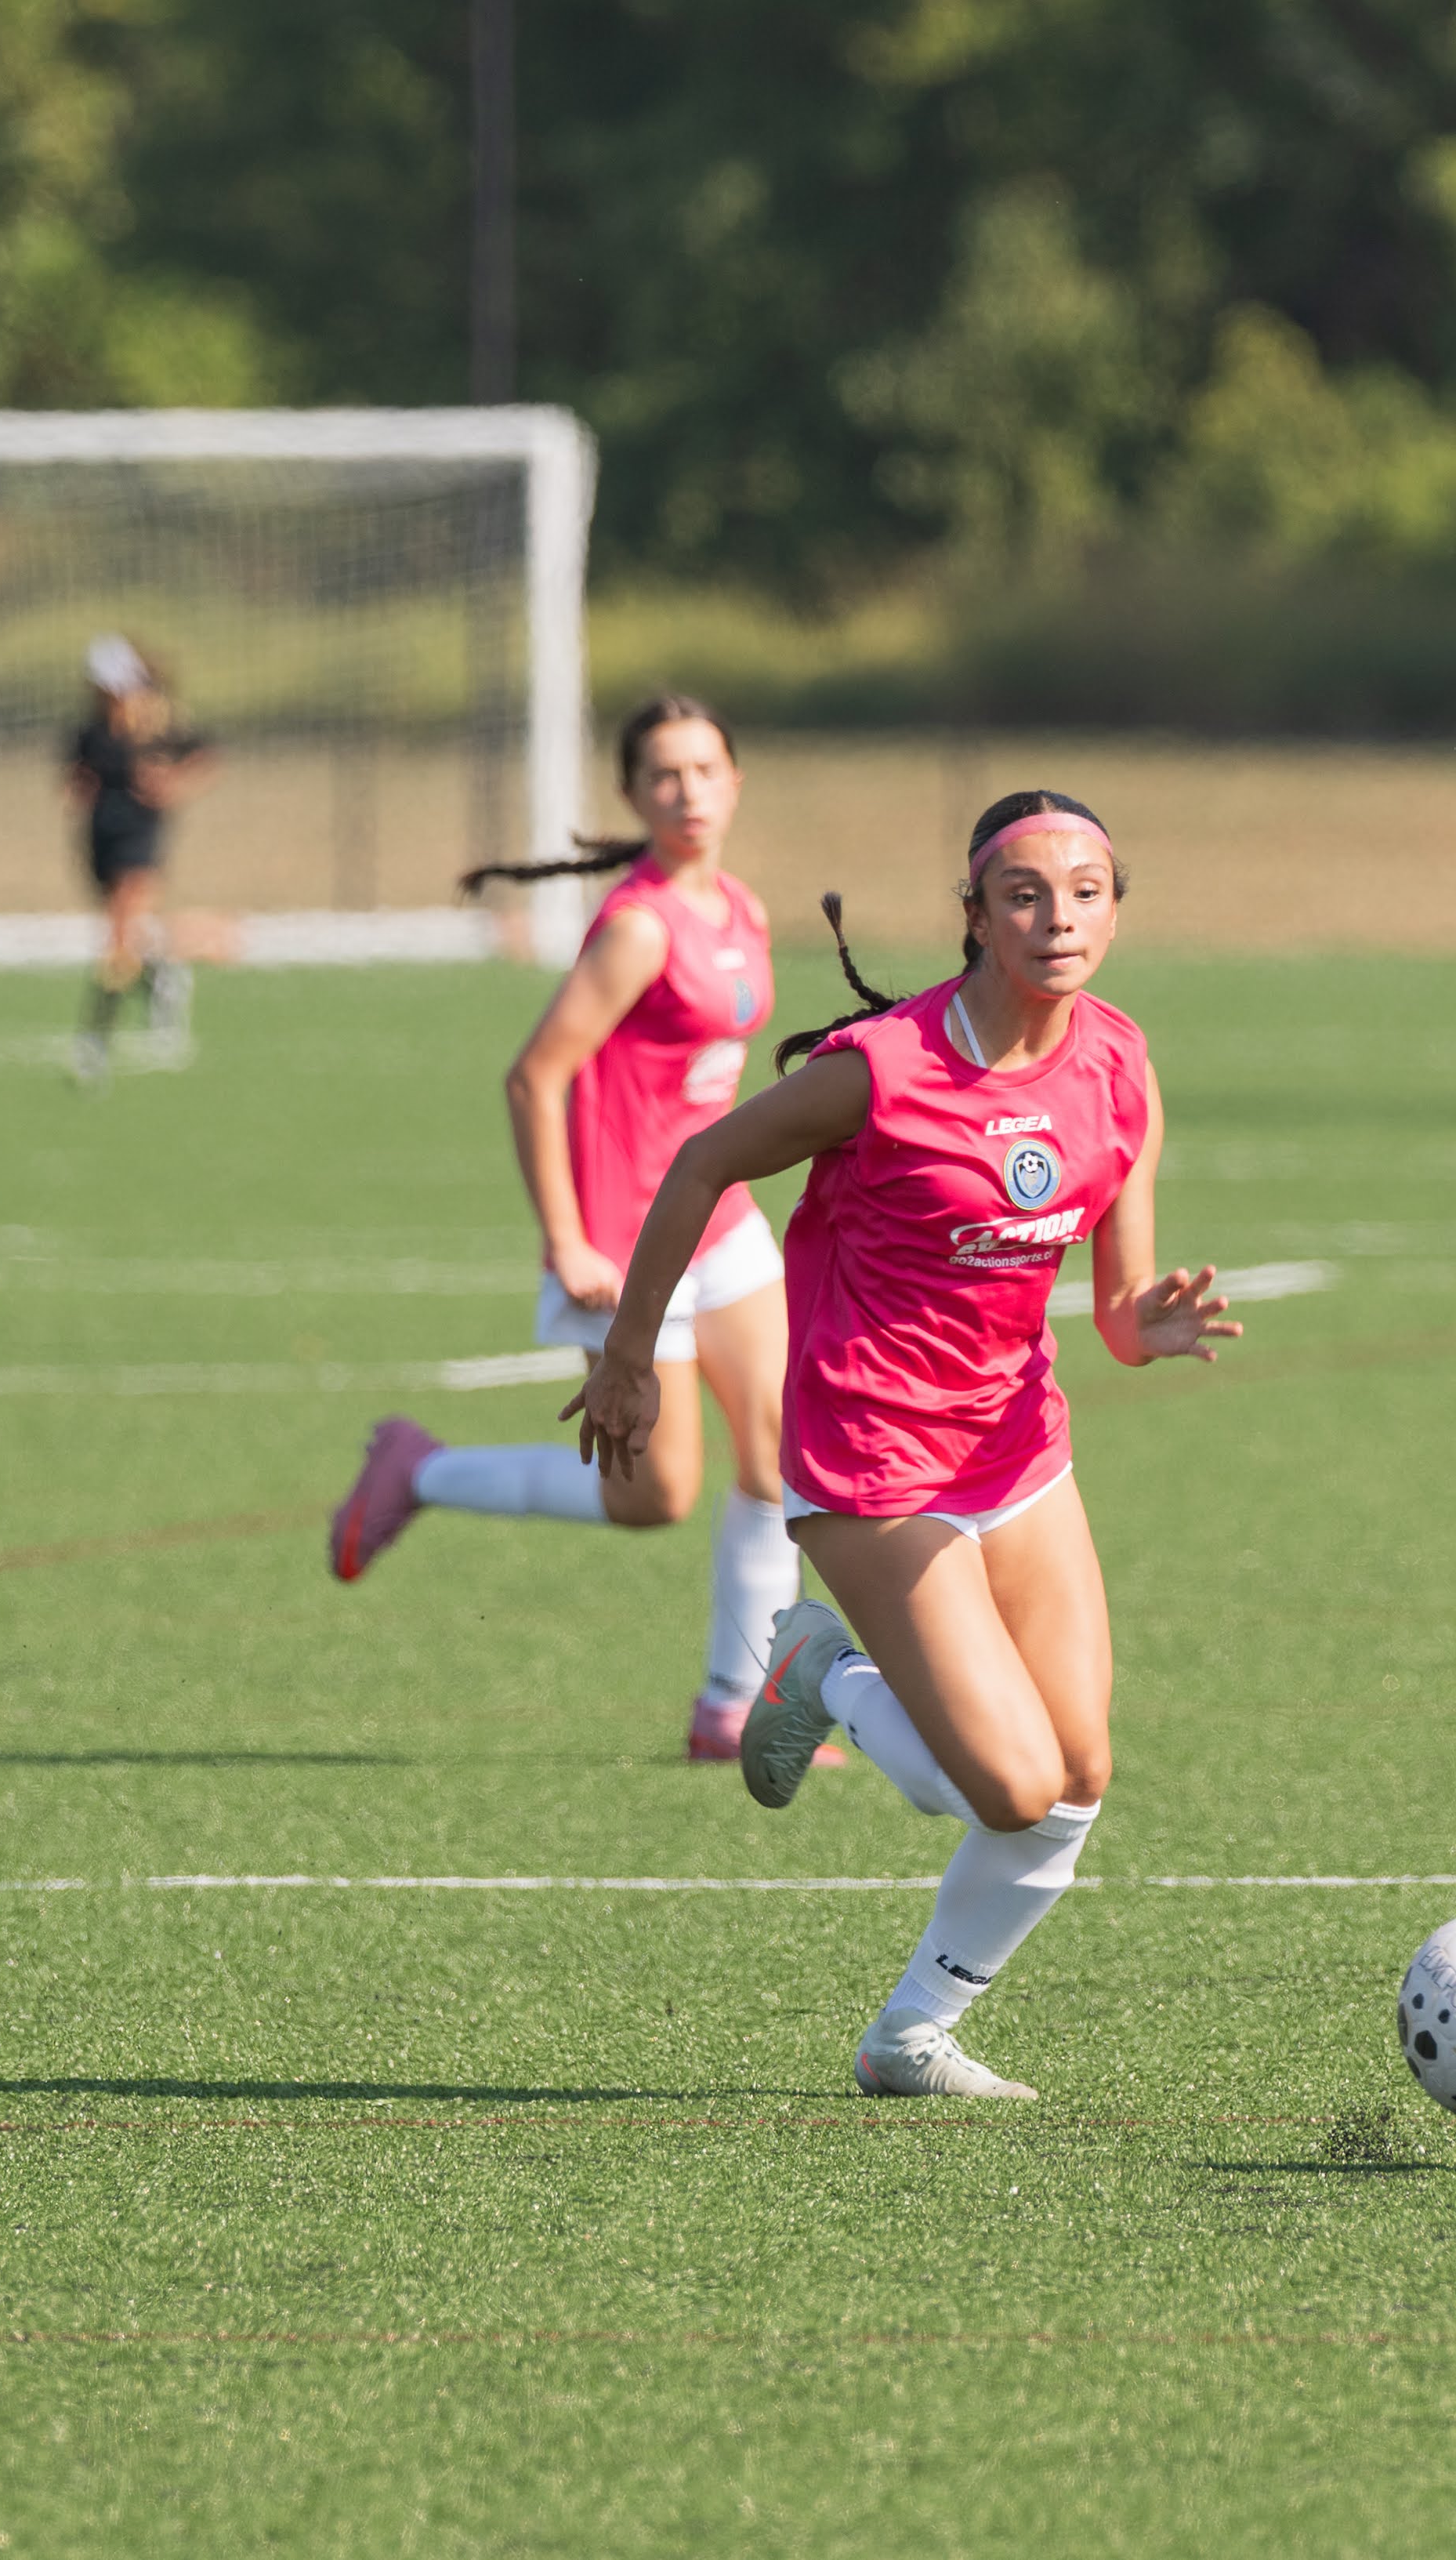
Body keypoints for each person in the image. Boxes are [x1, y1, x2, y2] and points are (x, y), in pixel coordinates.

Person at [568, 789, 1240, 2101]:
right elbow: (701, 1163)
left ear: (1114, 908)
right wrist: (627, 1359)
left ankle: (907, 2038)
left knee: (1077, 1776)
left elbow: (1112, 1305)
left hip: (1014, 1447)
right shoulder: (884, 1069)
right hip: (871, 1456)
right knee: (1004, 1787)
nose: (1059, 918)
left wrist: (1143, 1324)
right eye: (1027, 895)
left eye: (1087, 891)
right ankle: (824, 1670)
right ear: (976, 918)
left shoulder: (1116, 1061)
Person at [328, 696, 821, 1761]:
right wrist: (566, 1238)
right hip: (627, 1241)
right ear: (634, 796)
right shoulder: (639, 926)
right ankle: (418, 1469)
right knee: (655, 1498)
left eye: (705, 769)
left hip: (722, 1218)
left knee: (783, 1458)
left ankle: (733, 1708)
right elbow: (535, 1076)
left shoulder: (739, 905)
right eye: (664, 776)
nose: (688, 792)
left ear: (736, 780)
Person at [61, 636, 219, 1086]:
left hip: (141, 838)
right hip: (101, 840)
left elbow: (205, 759)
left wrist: (173, 784)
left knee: (118, 937)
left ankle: (94, 1041)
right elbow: (77, 778)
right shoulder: (91, 732)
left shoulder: (158, 723)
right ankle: (162, 975)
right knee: (125, 936)